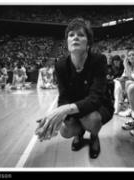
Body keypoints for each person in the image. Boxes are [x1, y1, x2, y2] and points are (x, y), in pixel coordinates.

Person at [35, 18, 114, 159]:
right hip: (76, 106)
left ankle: (94, 137)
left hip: (100, 105)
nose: (75, 37)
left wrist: (64, 110)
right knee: (65, 131)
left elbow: (95, 99)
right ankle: (79, 133)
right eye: (71, 35)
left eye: (81, 34)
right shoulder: (60, 65)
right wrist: (56, 118)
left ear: (88, 43)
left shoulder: (99, 60)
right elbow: (64, 97)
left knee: (93, 120)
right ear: (67, 42)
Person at [115, 49, 134, 115]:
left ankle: (132, 108)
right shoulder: (129, 65)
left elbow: (132, 78)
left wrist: (125, 65)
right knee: (117, 83)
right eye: (129, 55)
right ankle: (117, 107)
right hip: (132, 84)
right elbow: (124, 77)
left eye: (133, 55)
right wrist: (119, 79)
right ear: (127, 58)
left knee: (129, 83)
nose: (131, 57)